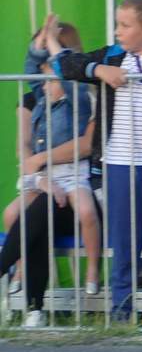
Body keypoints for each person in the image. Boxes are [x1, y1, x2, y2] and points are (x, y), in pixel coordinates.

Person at [49, 0, 142, 320]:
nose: (117, 31)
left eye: (125, 25)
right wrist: (98, 70)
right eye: (117, 24)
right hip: (119, 166)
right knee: (124, 242)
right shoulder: (114, 56)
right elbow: (62, 64)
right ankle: (121, 312)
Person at [2, 21, 99, 325]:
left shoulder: (81, 96)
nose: (43, 75)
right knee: (22, 213)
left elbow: (86, 144)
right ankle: (32, 303)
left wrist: (56, 49)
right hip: (45, 183)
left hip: (76, 182)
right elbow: (24, 153)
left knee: (42, 212)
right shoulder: (39, 97)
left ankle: (33, 298)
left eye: (49, 63)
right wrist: (41, 178)